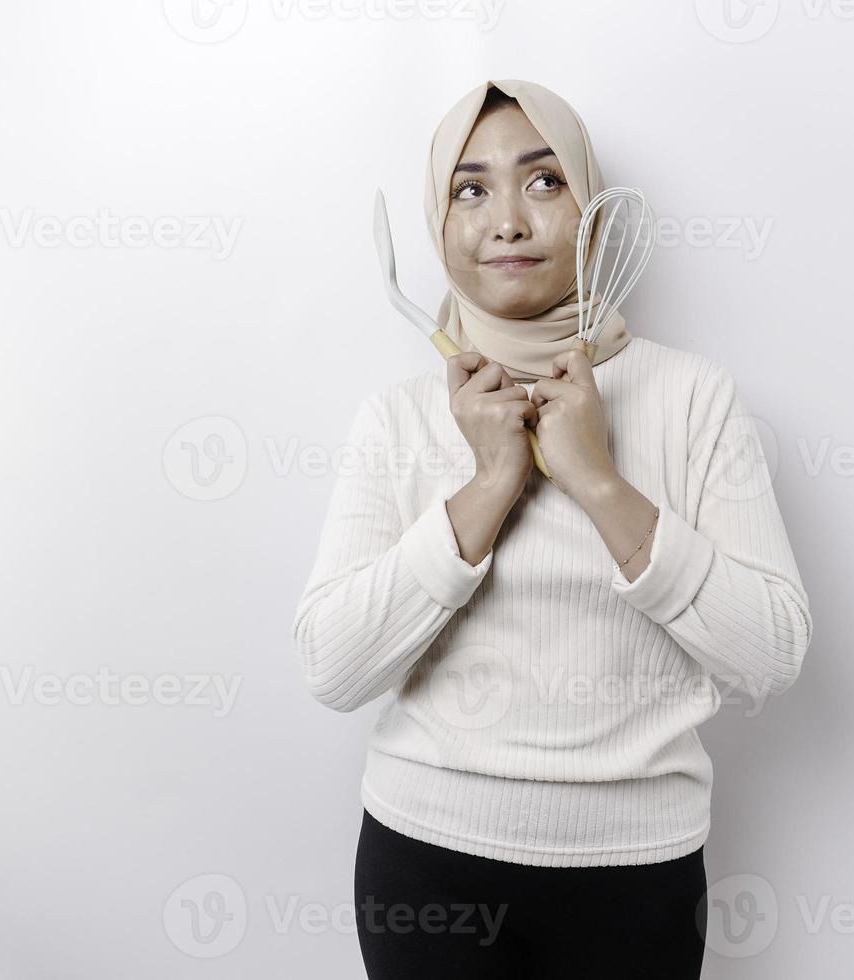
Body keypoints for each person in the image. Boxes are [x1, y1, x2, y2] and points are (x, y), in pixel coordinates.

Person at [292, 78, 813, 979]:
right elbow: (332, 668)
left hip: (636, 876)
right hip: (427, 867)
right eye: (471, 188)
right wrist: (489, 485)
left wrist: (598, 481)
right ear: (438, 220)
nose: (507, 221)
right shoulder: (398, 418)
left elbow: (772, 653)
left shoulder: (692, 398)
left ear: (593, 209)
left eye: (543, 182)